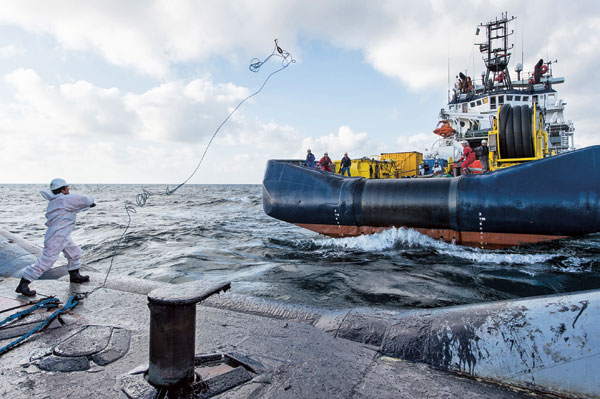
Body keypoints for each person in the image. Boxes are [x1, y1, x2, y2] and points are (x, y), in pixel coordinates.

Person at [15, 178, 96, 297]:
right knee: (47, 261)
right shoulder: (64, 200)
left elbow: (74, 207)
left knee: (74, 252)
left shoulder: (57, 201)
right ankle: (24, 283)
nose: (69, 190)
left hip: (62, 235)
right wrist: (90, 203)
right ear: (62, 190)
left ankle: (75, 276)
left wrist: (88, 206)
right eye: (67, 188)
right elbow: (85, 199)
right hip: (57, 236)